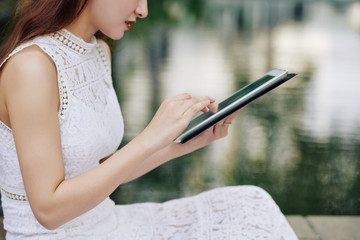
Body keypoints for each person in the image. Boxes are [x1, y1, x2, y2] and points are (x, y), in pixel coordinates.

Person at [0, 0, 298, 239]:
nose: (143, 9)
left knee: (251, 204)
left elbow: (104, 170)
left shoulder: (98, 50)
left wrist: (185, 142)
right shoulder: (31, 67)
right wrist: (148, 138)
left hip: (107, 222)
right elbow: (48, 211)